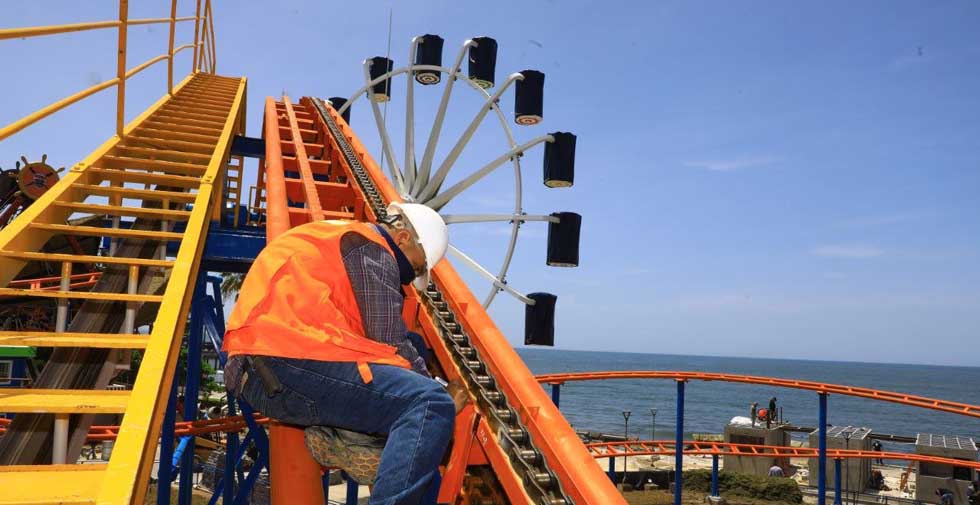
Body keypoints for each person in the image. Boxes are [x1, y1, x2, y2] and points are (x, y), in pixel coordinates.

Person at [223, 203, 455, 505]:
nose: (411, 278)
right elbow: (388, 339)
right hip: (283, 364)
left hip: (270, 363)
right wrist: (439, 390)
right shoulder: (372, 249)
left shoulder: (337, 236)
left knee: (415, 350)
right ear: (402, 239)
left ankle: (355, 436)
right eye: (417, 267)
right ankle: (362, 438)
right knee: (430, 403)